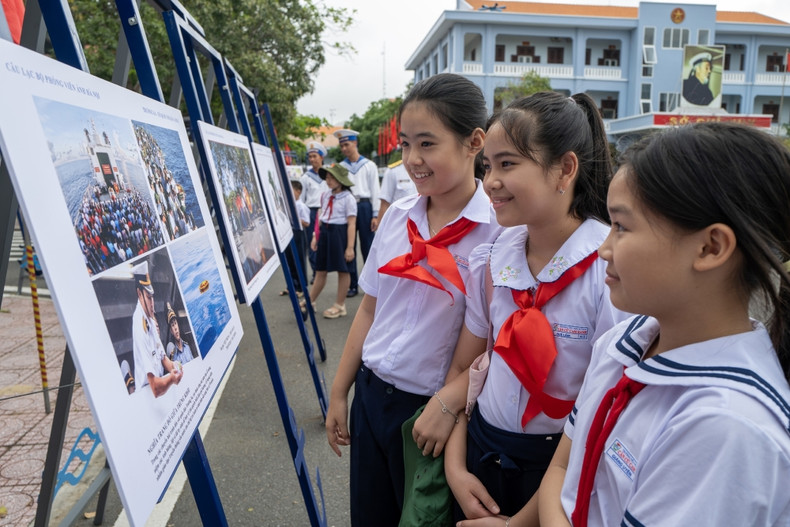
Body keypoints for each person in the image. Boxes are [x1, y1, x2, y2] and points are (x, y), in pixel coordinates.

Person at [539, 122, 790, 527]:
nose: (604, 248)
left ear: (710, 247)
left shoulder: (725, 428)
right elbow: (561, 471)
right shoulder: (621, 343)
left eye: (621, 227)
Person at [412, 92, 628, 525]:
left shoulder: (609, 269)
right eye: (488, 165)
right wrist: (456, 469)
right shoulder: (494, 256)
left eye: (507, 164)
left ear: (564, 169)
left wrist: (521, 522)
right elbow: (472, 366)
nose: (489, 180)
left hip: (554, 473)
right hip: (480, 451)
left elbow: (602, 416)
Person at [324, 73, 503, 526]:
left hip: (431, 416)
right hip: (371, 396)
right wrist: (340, 391)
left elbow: (494, 343)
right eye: (405, 144)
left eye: (427, 144)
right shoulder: (397, 218)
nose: (412, 160)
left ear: (474, 142)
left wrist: (448, 409)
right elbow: (369, 308)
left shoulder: (500, 234)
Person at [335, 128, 381, 297]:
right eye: (341, 146)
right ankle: (352, 284)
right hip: (348, 208)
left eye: (347, 144)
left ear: (355, 143)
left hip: (365, 207)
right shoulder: (340, 167)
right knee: (349, 247)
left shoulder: (369, 165)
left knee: (368, 247)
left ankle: (372, 284)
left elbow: (376, 191)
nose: (344, 149)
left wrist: (376, 214)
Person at [307, 164, 357, 319]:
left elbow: (351, 223)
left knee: (343, 269)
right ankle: (310, 301)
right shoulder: (325, 195)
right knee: (320, 269)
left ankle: (340, 305)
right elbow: (320, 217)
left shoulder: (348, 198)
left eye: (332, 178)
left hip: (339, 233)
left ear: (341, 180)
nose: (328, 181)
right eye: (327, 177)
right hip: (326, 233)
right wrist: (316, 236)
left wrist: (350, 247)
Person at [130, 261, 183, 397]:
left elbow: (162, 357)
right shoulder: (139, 327)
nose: (152, 304)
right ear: (139, 294)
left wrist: (176, 367)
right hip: (147, 399)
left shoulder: (150, 320)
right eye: (148, 298)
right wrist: (172, 378)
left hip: (160, 393)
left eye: (152, 297)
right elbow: (155, 388)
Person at [300, 141, 329, 283]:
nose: (312, 159)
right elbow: (302, 199)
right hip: (311, 211)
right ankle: (316, 272)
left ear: (322, 157)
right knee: (312, 245)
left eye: (315, 156)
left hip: (326, 211)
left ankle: (324, 270)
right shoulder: (305, 177)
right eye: (310, 156)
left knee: (326, 242)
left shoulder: (328, 174)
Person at [280, 179, 311, 297]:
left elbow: (307, 223)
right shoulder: (287, 205)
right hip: (289, 232)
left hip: (298, 233)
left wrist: (296, 219)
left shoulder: (302, 206)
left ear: (298, 191)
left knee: (299, 260)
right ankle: (292, 285)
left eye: (291, 190)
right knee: (289, 260)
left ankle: (302, 287)